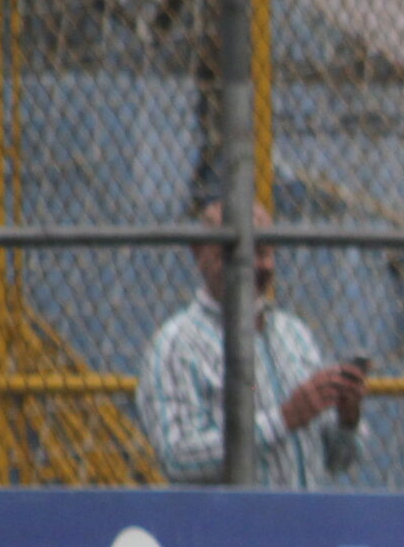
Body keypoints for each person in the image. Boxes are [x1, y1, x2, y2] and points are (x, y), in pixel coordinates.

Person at [135, 196, 365, 487]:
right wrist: (282, 419)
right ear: (199, 252)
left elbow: (338, 460)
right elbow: (178, 457)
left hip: (304, 526)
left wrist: (347, 421)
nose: (256, 266)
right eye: (240, 253)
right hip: (231, 529)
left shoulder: (294, 334)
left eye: (265, 252)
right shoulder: (176, 345)